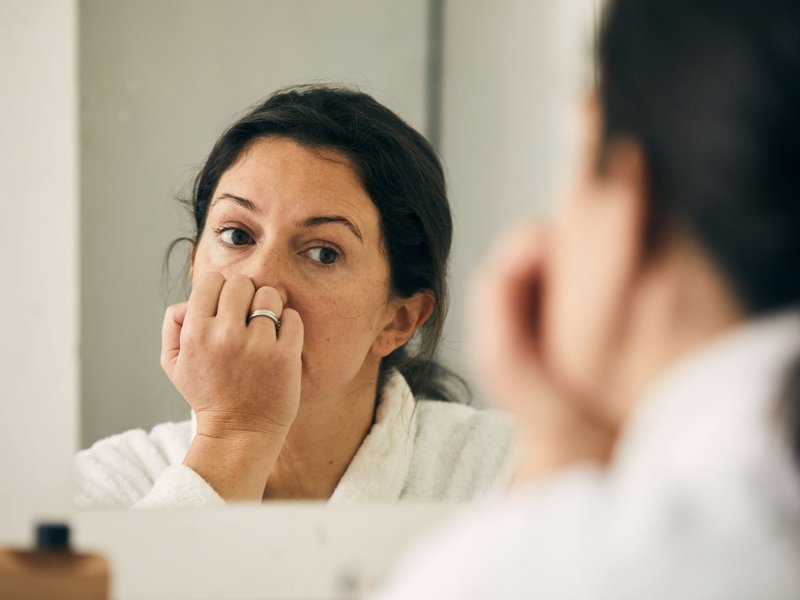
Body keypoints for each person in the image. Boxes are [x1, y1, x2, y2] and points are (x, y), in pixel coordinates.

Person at [375, 0, 800, 597]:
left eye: (577, 156)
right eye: (236, 234)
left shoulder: (521, 573)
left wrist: (552, 487)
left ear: (630, 198)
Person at [74, 86, 519, 507]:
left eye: (324, 253)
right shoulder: (110, 484)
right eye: (236, 235)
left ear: (398, 320)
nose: (260, 280)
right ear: (195, 267)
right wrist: (232, 437)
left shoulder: (504, 472)